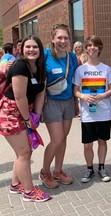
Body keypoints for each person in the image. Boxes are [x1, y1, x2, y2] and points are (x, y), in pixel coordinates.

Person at [0, 35, 51, 202]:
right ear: (21, 50)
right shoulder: (21, 66)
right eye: (28, 47)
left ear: (40, 49)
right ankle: (29, 192)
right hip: (10, 113)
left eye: (35, 47)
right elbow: (19, 97)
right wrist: (29, 119)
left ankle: (15, 184)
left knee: (22, 152)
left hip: (24, 113)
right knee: (24, 153)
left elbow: (41, 92)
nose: (31, 50)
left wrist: (36, 116)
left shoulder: (39, 66)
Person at [39, 24, 78, 189]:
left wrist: (76, 103)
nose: (63, 41)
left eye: (66, 38)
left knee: (63, 139)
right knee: (56, 139)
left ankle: (58, 171)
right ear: (53, 39)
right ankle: (44, 172)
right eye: (59, 37)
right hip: (51, 103)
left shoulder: (73, 58)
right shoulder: (45, 55)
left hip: (68, 102)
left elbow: (74, 81)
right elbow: (30, 67)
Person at [73, 35, 111, 183]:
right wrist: (84, 97)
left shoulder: (106, 69)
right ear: (86, 48)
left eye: (95, 45)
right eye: (89, 45)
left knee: (102, 141)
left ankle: (102, 168)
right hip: (87, 114)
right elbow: (76, 91)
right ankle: (89, 169)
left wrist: (103, 95)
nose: (92, 48)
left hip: (104, 113)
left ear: (100, 48)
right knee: (87, 144)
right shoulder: (80, 70)